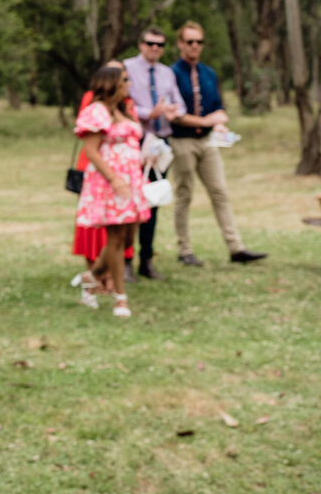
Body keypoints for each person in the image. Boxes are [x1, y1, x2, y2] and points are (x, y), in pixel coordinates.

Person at [168, 21, 267, 266]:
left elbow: (218, 107)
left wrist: (219, 120)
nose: (194, 46)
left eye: (198, 42)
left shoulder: (209, 74)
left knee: (220, 192)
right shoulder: (171, 74)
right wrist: (204, 119)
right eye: (190, 41)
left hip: (207, 141)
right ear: (181, 44)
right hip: (182, 141)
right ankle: (185, 250)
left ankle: (236, 248)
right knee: (184, 194)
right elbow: (174, 113)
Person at [71, 65, 150, 317]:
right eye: (124, 80)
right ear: (110, 83)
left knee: (128, 238)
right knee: (115, 238)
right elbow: (92, 150)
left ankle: (90, 276)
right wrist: (114, 178)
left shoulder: (124, 109)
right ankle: (120, 298)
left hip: (132, 181)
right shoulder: (96, 111)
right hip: (110, 182)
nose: (128, 84)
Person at [123, 27, 186, 280]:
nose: (155, 48)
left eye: (160, 45)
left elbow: (179, 102)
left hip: (159, 143)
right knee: (130, 202)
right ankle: (125, 259)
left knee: (153, 201)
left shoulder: (166, 72)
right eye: (150, 43)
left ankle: (146, 259)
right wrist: (149, 113)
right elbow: (122, 104)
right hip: (135, 141)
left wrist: (173, 111)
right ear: (140, 44)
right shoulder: (127, 67)